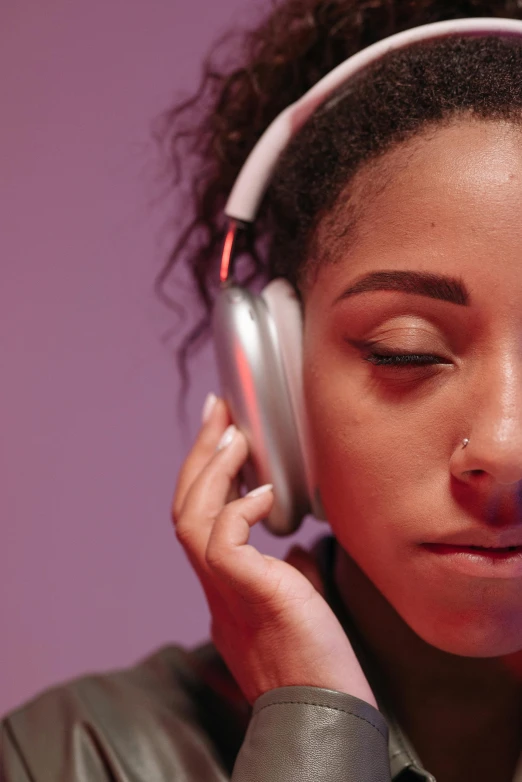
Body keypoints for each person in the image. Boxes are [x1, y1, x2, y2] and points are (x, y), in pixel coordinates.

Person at [3, 0, 522, 779]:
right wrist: (312, 734)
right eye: (405, 351)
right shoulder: (73, 755)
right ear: (269, 384)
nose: (505, 447)